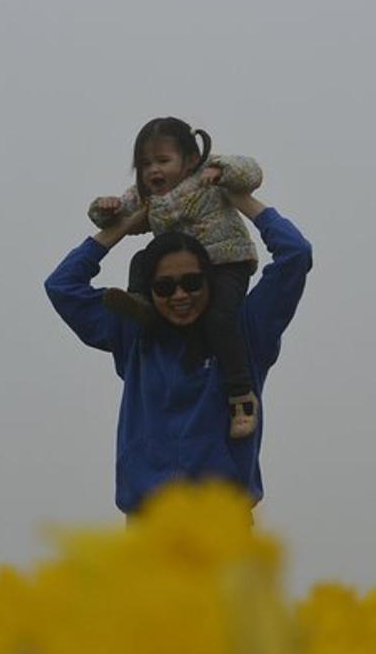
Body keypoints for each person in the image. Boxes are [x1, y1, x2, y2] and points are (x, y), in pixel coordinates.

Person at [45, 190, 312, 518]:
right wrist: (124, 226)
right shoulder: (134, 334)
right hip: (148, 527)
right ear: (148, 291)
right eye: (165, 287)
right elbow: (61, 285)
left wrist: (238, 198)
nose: (180, 295)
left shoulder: (244, 331)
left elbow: (296, 254)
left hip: (222, 527)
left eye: (192, 282)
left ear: (211, 282)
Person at [88, 116, 263, 438]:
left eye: (163, 161)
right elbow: (111, 214)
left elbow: (252, 172)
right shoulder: (145, 196)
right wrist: (105, 208)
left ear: (191, 159)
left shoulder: (206, 174)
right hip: (181, 270)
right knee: (143, 259)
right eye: (145, 164)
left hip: (225, 262)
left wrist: (221, 171)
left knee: (220, 319)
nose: (154, 170)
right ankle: (141, 301)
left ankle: (240, 395)